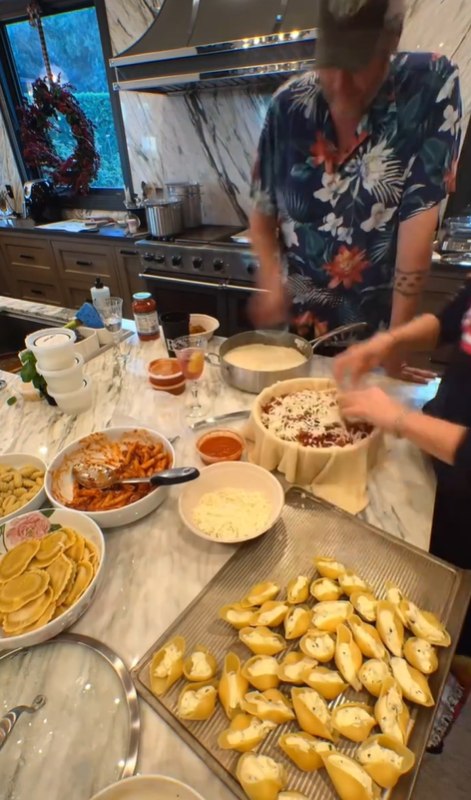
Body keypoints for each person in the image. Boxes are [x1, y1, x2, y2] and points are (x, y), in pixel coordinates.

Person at [250, 0, 462, 377]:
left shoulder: (429, 84)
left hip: (379, 332)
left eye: (359, 66)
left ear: (392, 42)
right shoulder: (288, 107)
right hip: (304, 330)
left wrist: (396, 345)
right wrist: (269, 277)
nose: (340, 84)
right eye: (330, 65)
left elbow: (419, 218)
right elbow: (262, 208)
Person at [334, 280, 471, 751]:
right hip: (444, 448)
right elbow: (456, 316)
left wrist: (398, 419)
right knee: (436, 572)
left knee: (464, 603)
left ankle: (452, 680)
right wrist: (388, 341)